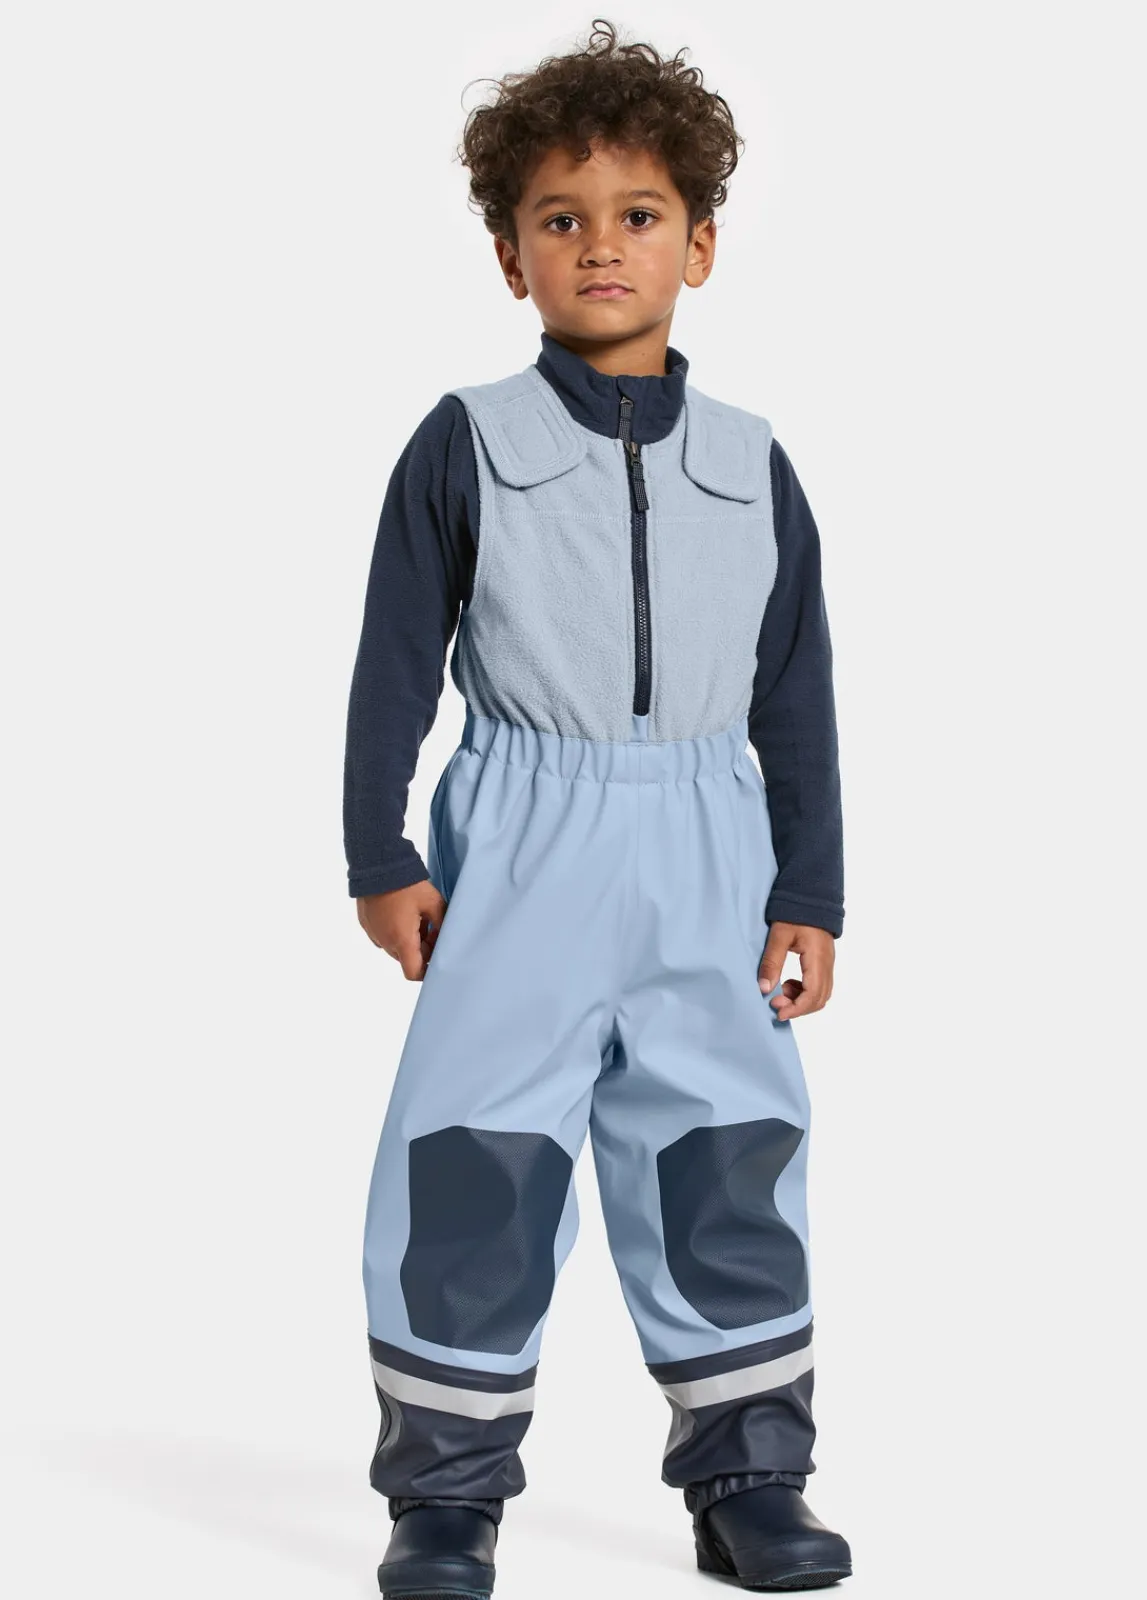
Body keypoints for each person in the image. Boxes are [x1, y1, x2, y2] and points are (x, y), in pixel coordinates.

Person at [343, 18, 852, 1596]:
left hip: (709, 849)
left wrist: (812, 891)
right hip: (525, 845)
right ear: (513, 258)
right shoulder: (467, 444)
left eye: (639, 214)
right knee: (474, 1158)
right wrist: (379, 849)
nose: (601, 245)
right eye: (560, 219)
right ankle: (446, 1497)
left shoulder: (754, 464)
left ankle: (751, 1477)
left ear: (700, 244)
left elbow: (796, 696)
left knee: (726, 1151)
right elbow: (393, 662)